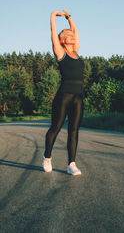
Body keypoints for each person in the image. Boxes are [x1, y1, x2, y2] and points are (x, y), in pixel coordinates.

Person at [42, 9, 84, 176]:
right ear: (62, 39)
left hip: (79, 97)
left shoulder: (76, 51)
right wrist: (53, 15)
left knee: (74, 130)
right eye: (68, 34)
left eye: (72, 34)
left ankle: (71, 164)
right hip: (64, 96)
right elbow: (53, 32)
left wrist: (69, 18)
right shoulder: (61, 52)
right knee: (56, 128)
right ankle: (47, 157)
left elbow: (76, 31)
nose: (72, 35)